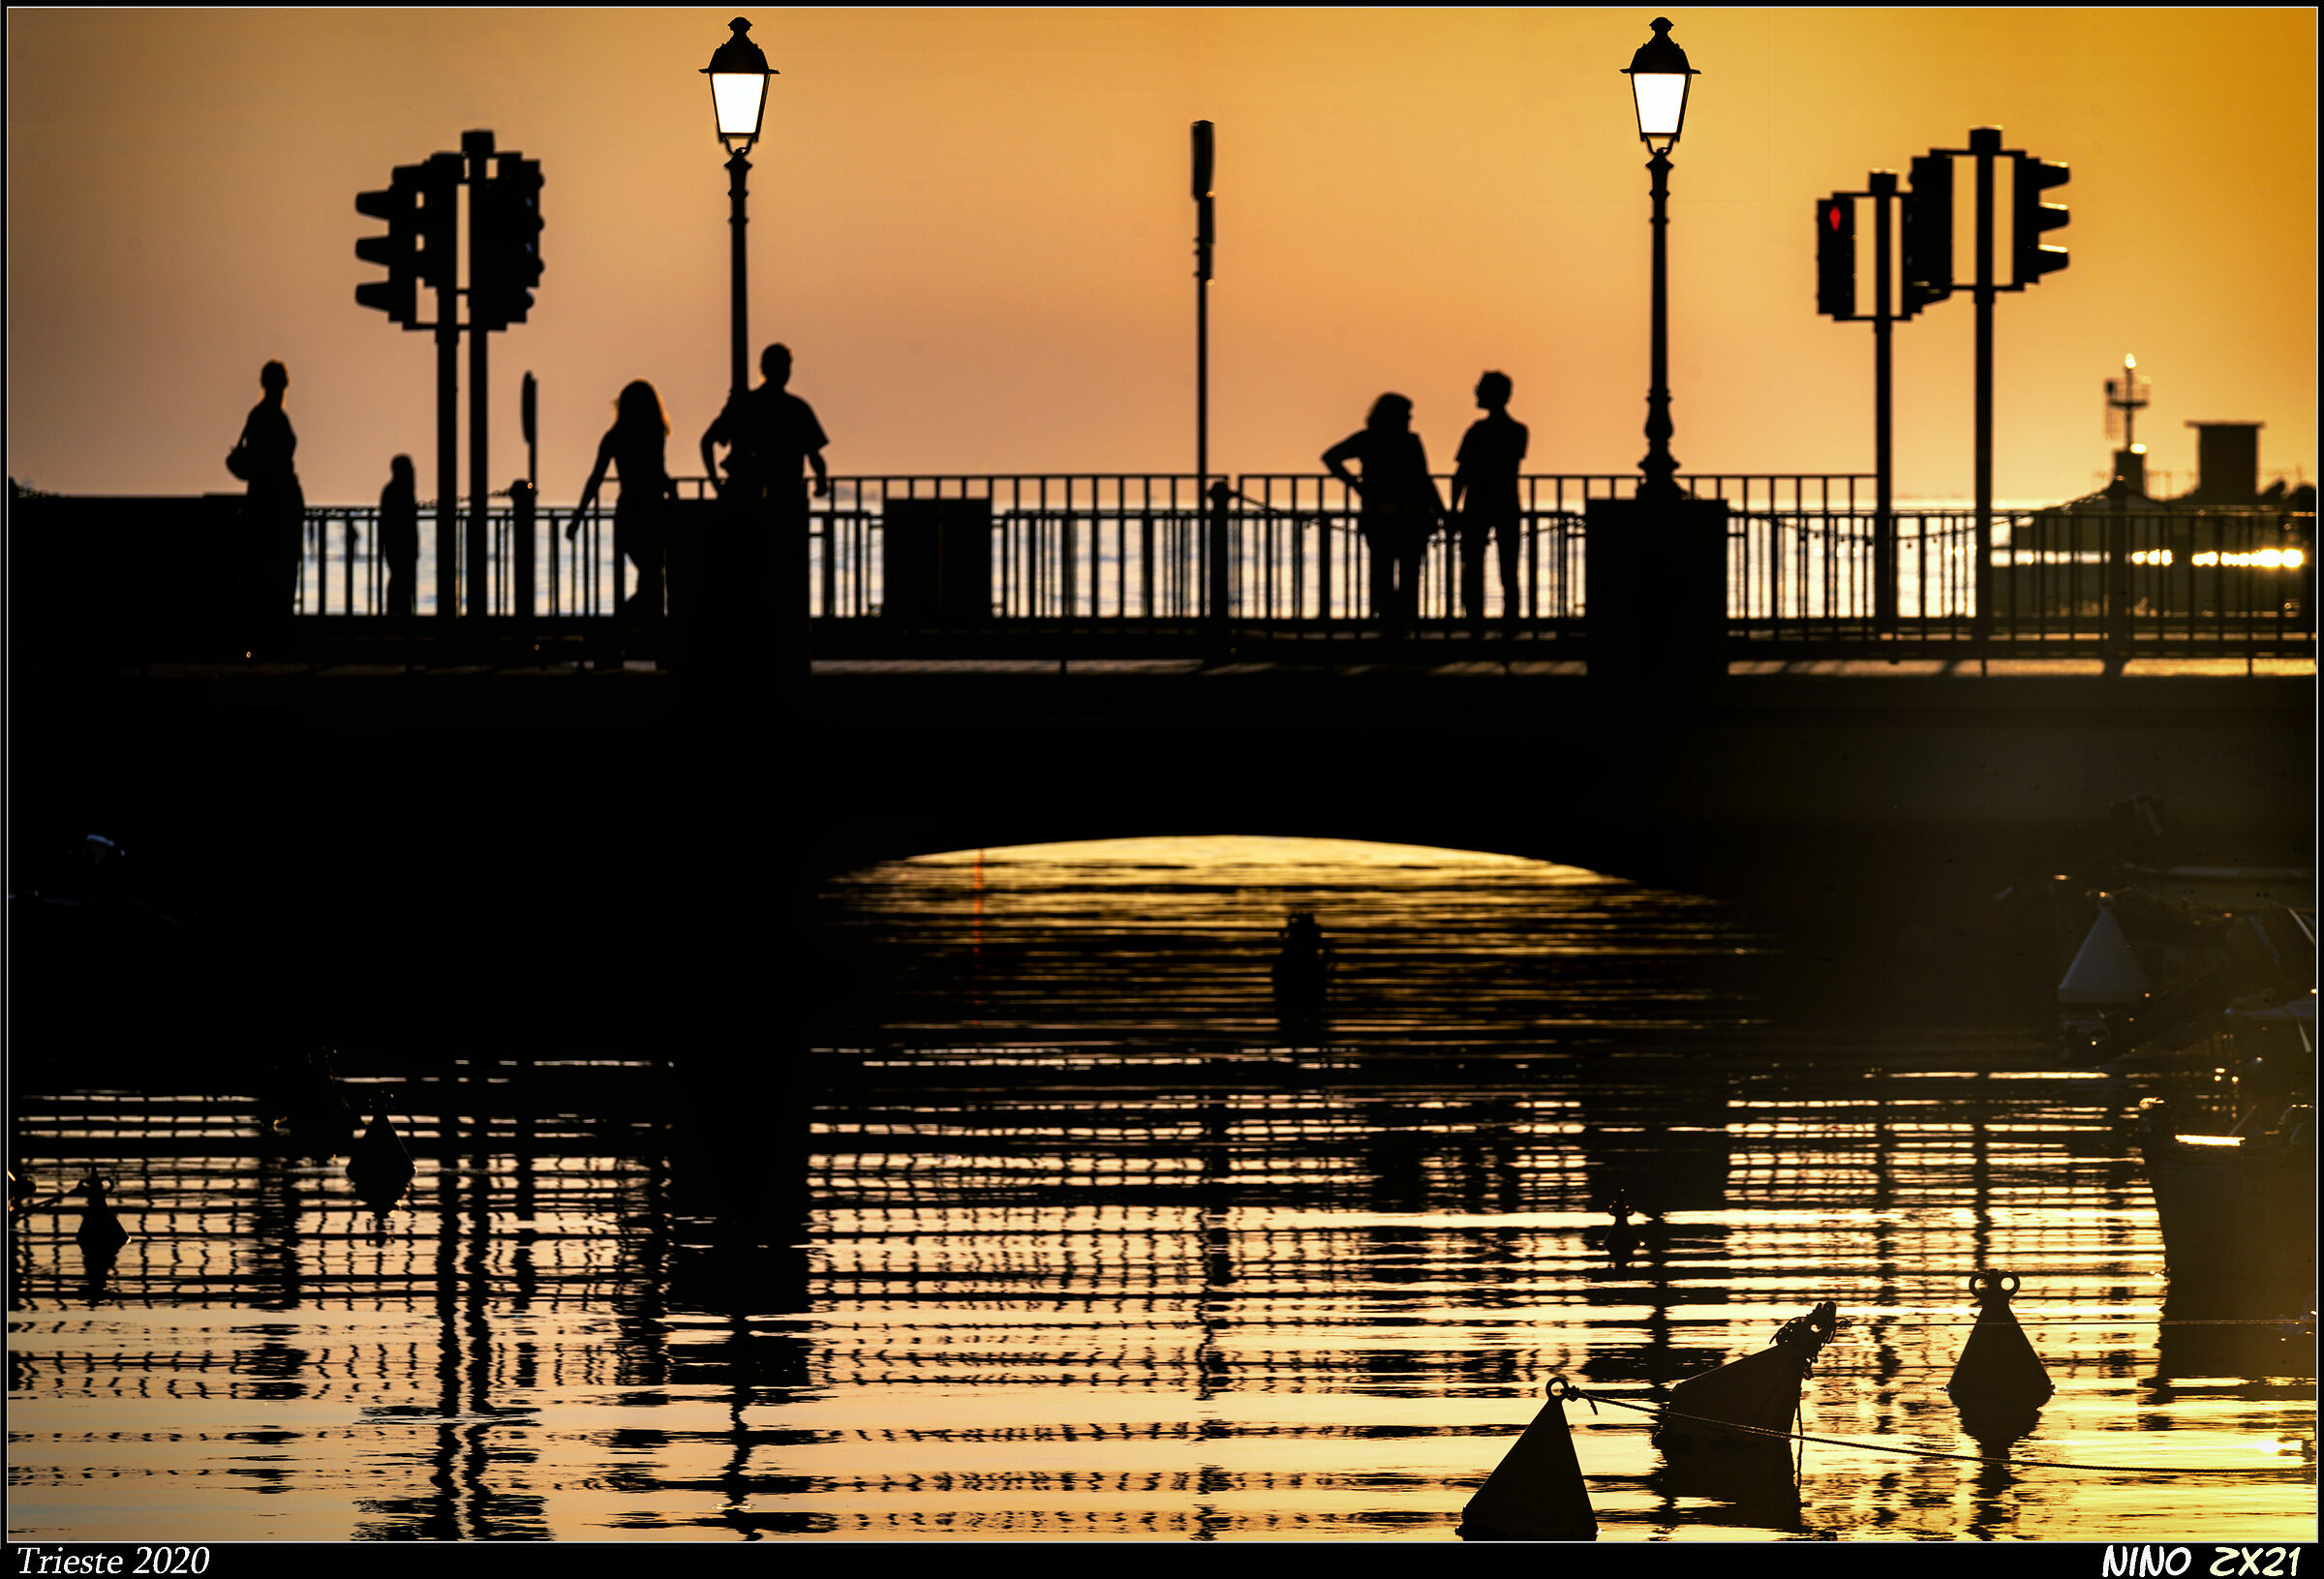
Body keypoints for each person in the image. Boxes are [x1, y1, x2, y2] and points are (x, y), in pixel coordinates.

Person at [700, 344, 830, 674]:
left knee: (750, 579)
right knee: (784, 578)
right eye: (785, 365)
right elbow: (815, 454)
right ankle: (783, 650)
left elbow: (707, 441)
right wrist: (820, 481)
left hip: (749, 503)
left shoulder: (748, 405)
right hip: (783, 504)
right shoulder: (794, 409)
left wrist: (716, 483)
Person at [567, 380, 678, 652]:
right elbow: (658, 473)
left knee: (651, 576)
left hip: (630, 511)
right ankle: (632, 633)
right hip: (654, 510)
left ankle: (626, 633)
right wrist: (673, 498)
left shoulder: (615, 437)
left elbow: (595, 479)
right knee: (654, 576)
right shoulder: (655, 433)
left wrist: (578, 517)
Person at [1323, 393, 1444, 635]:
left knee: (1384, 571)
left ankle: (1388, 622)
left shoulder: (1368, 439)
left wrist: (1355, 484)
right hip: (1409, 516)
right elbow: (1424, 479)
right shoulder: (1408, 442)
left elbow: (1331, 457)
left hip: (1381, 515)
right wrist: (1441, 511)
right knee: (1408, 572)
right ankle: (1406, 621)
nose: (1410, 418)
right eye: (1406, 414)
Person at [1450, 372, 1529, 633]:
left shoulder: (1477, 431)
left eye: (1480, 389)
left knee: (1472, 565)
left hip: (1477, 504)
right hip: (1507, 503)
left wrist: (1453, 508)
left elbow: (1461, 474)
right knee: (1509, 566)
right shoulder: (1518, 431)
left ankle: (1475, 622)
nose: (1476, 394)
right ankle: (1511, 622)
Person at [229, 360, 304, 638]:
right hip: (276, 500)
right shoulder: (270, 416)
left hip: (265, 499)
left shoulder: (259, 415)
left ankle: (268, 624)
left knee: (267, 563)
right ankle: (275, 625)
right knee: (277, 563)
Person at [380, 455, 418, 617]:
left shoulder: (395, 491)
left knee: (401, 580)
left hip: (399, 547)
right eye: (410, 469)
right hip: (400, 547)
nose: (414, 472)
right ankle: (399, 615)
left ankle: (398, 613)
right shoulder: (399, 491)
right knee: (401, 580)